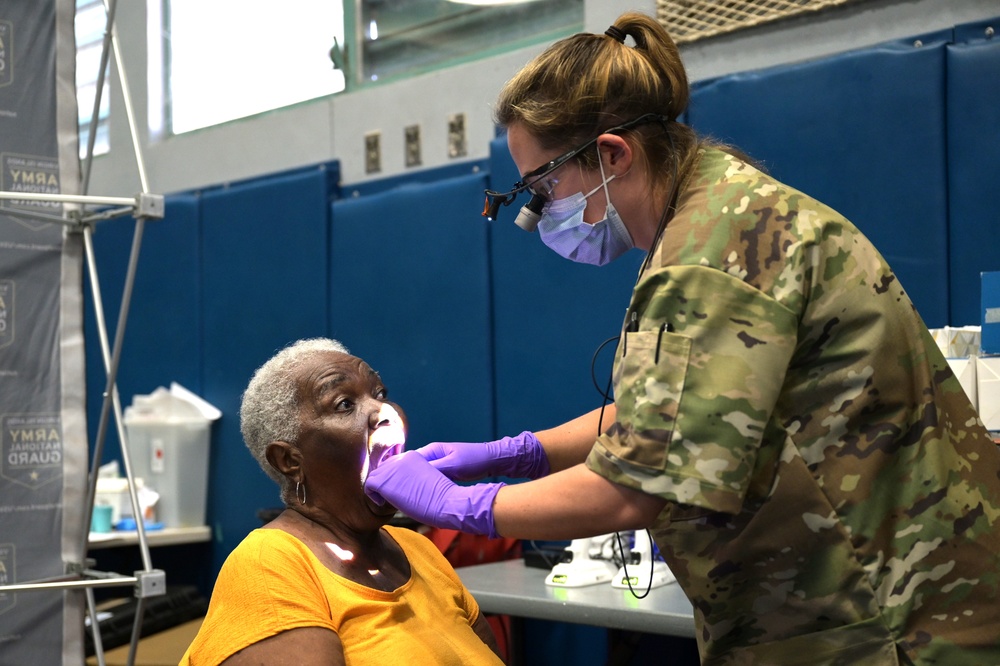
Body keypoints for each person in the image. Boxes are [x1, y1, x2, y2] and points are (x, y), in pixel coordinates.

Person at [364, 11, 1000, 665]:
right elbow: (676, 418)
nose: (538, 212)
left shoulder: (709, 254)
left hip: (897, 625)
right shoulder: (717, 209)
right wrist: (519, 451)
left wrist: (462, 504)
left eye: (544, 186)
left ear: (612, 154)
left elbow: (637, 486)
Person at [180, 338, 503, 666]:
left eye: (380, 394)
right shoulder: (268, 565)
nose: (385, 412)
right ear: (289, 460)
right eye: (345, 404)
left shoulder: (418, 549)